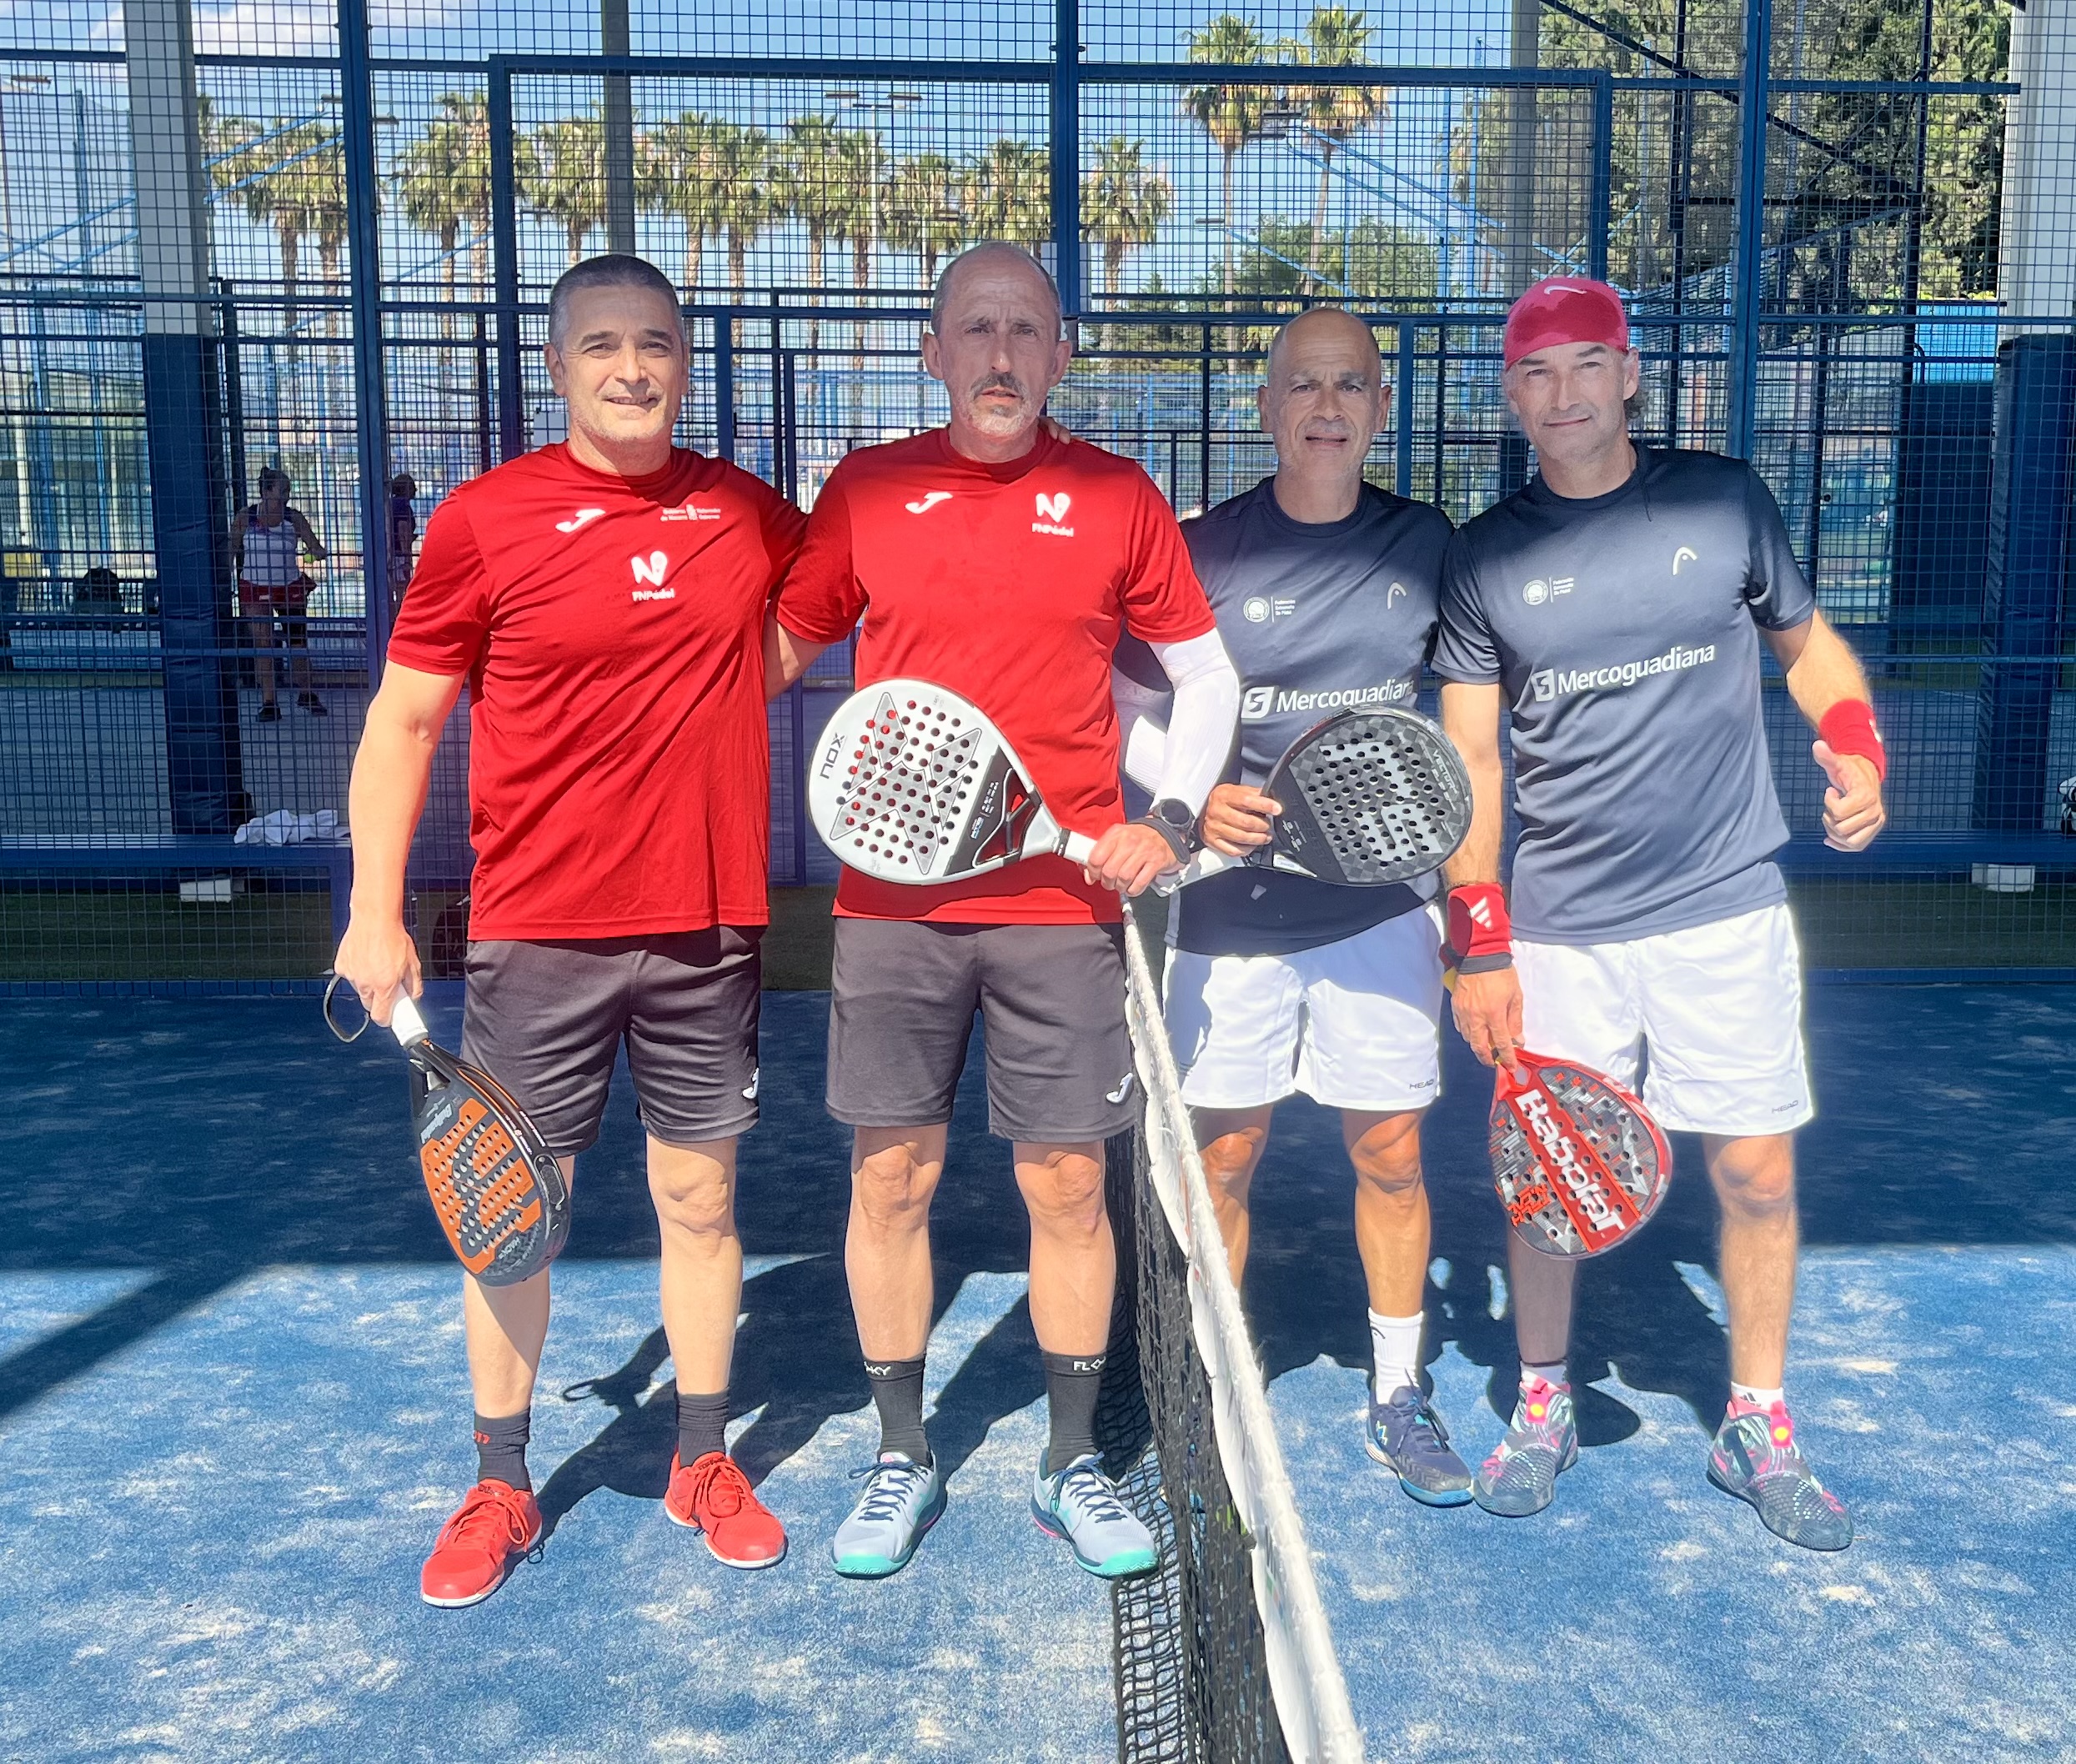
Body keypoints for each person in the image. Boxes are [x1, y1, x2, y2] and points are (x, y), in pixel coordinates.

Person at [333, 253, 807, 1606]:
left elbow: (844, 592)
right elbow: (404, 721)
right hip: (536, 933)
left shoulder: (745, 510)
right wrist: (372, 911)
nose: (631, 368)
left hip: (706, 927)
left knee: (701, 1203)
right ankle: (500, 1479)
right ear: (557, 367)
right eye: (602, 344)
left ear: (684, 363)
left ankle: (702, 1460)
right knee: (510, 1220)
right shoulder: (484, 521)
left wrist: (741, 676)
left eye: (654, 343)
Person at [768, 242, 1239, 1581]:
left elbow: (1205, 679)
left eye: (1026, 329)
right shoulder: (867, 489)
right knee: (889, 1176)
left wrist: (1169, 818)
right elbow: (773, 649)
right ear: (933, 352)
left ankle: (1070, 1462)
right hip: (894, 907)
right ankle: (899, 1455)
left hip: (1060, 906)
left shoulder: (1115, 496)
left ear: (1060, 355)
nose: (999, 353)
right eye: (974, 328)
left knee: (1069, 1183)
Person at [1434, 277, 1888, 1550]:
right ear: (1512, 395)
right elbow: (1470, 760)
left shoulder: (1722, 499)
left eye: (1587, 364)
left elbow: (1808, 650)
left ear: (1628, 374)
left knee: (1754, 1170)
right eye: (1537, 372)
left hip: (1721, 909)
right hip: (1561, 929)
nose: (1563, 392)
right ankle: (1541, 1402)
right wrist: (1479, 938)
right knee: (1546, 1181)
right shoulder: (1481, 556)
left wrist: (1855, 747)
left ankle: (1756, 1422)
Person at [1112, 306, 1472, 1506]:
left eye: (1351, 385)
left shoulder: (1427, 544)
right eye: (1304, 385)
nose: (1327, 406)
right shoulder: (1200, 549)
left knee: (1391, 1150)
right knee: (1224, 1155)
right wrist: (1191, 797)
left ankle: (1398, 1390)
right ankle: (1214, 1383)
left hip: (1378, 907)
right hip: (1226, 909)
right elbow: (1128, 707)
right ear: (1266, 407)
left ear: (1380, 408)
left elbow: (1474, 714)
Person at [233, 466, 328, 720]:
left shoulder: (293, 518)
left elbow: (316, 548)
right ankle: (269, 702)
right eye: (282, 490)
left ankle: (307, 694)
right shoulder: (246, 517)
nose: (286, 495)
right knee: (263, 644)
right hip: (255, 587)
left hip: (289, 587)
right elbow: (230, 549)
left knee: (297, 642)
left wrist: (314, 554)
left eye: (288, 490)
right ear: (266, 491)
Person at [389, 472, 419, 609]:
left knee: (395, 589)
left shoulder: (392, 503)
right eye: (412, 486)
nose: (415, 490)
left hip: (392, 552)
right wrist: (406, 556)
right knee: (402, 589)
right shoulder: (402, 505)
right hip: (400, 554)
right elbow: (402, 530)